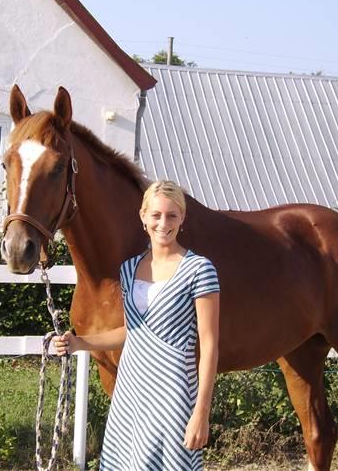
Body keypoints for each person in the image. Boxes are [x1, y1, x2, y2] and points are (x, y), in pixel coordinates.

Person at [52, 180, 220, 471]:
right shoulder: (128, 269)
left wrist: (201, 412)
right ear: (143, 217)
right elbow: (133, 332)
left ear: (182, 218)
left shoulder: (200, 269)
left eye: (171, 215)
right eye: (156, 215)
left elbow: (209, 345)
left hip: (174, 393)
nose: (163, 223)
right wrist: (80, 343)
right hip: (130, 392)